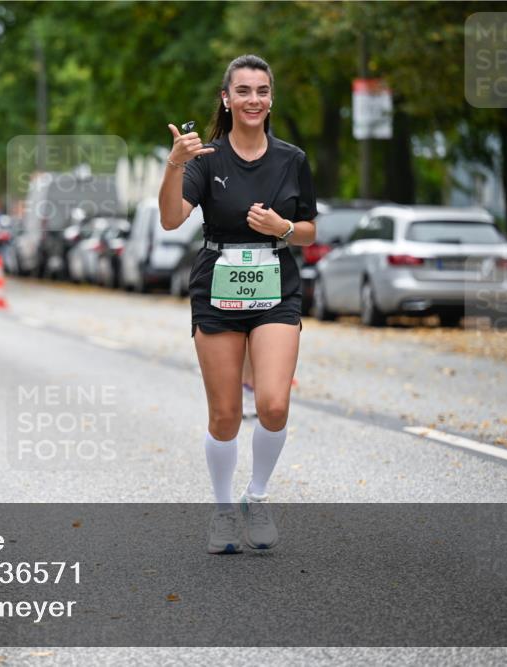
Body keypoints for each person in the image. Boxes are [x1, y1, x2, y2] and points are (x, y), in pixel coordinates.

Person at [159, 54, 318, 554]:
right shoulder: (205, 159)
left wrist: (284, 228)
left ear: (271, 99)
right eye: (243, 91)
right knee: (226, 415)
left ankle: (257, 496)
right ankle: (224, 512)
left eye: (262, 91)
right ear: (226, 99)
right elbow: (170, 219)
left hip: (276, 290)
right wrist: (175, 164)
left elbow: (310, 230)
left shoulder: (292, 159)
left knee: (273, 404)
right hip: (217, 290)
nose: (254, 99)